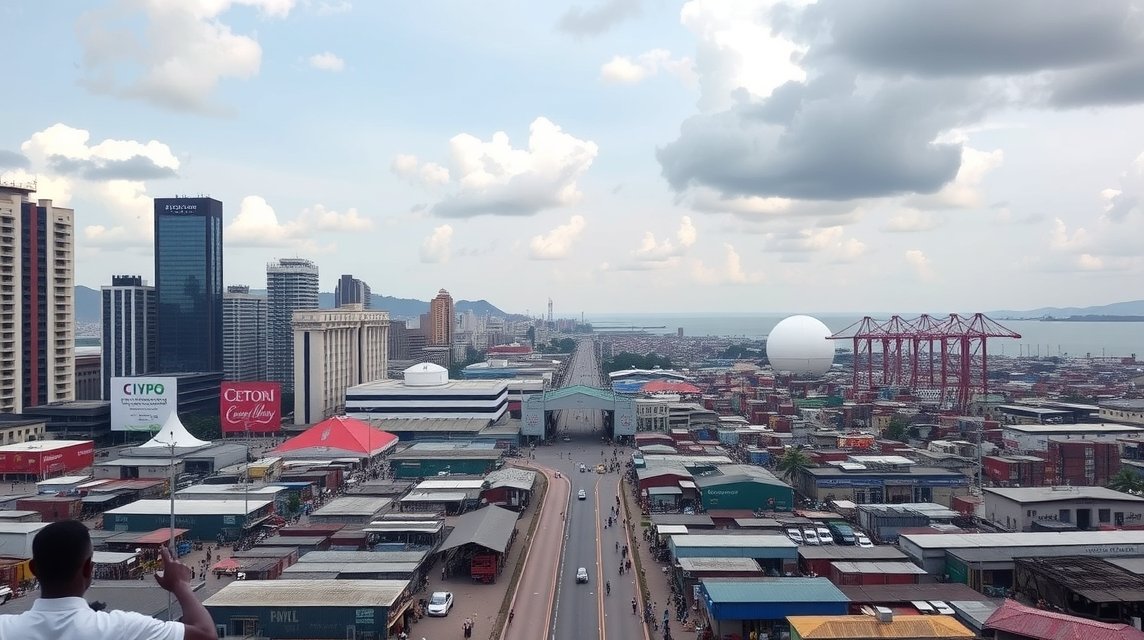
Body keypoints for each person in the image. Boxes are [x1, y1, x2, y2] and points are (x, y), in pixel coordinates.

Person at [0, 519, 217, 640]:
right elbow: (205, 634)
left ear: (33, 569)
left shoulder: (5, 629)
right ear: (89, 568)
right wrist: (180, 585)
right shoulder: (122, 628)